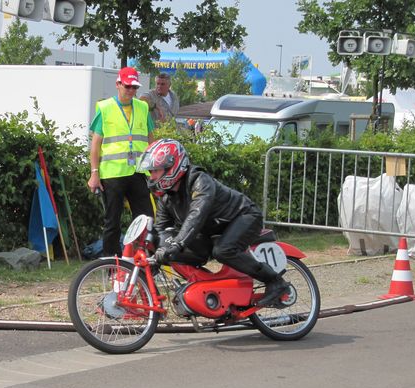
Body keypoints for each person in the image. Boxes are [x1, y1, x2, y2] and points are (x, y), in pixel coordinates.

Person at [137, 138, 290, 306]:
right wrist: (157, 253)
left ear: (171, 167)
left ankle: (276, 282)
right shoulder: (166, 196)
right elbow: (161, 229)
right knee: (178, 247)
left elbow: (197, 215)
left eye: (155, 171)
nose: (151, 177)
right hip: (214, 228)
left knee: (223, 251)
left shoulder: (200, 181)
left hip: (244, 216)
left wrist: (177, 244)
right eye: (150, 172)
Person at [88, 66, 155, 256]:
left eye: (135, 87)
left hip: (138, 172)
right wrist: (94, 174)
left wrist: (156, 168)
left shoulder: (142, 107)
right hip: (113, 174)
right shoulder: (106, 108)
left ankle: (146, 263)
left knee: (147, 219)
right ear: (118, 84)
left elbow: (151, 140)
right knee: (112, 223)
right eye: (128, 86)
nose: (131, 91)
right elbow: (96, 145)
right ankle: (112, 266)